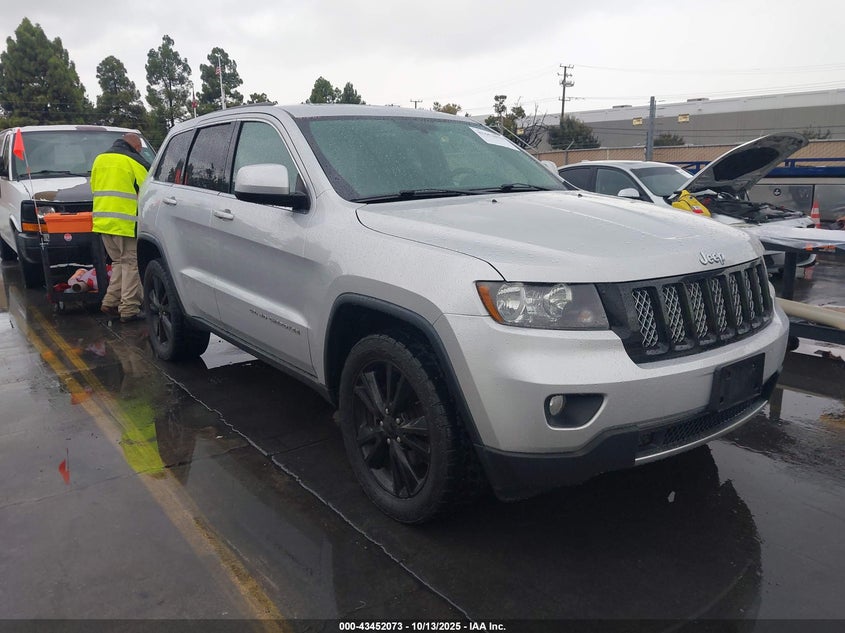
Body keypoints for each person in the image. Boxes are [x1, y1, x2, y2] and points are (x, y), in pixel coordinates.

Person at [91, 132, 150, 323]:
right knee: (132, 264)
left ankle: (111, 302)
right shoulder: (133, 161)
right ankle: (129, 309)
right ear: (136, 146)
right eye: (139, 148)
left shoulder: (100, 159)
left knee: (118, 262)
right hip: (126, 223)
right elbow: (149, 189)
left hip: (103, 223)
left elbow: (94, 186)